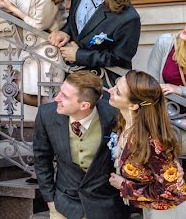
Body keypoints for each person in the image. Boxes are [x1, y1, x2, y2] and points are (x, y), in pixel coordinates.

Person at [32, 70, 130, 219]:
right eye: (60, 92)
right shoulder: (46, 114)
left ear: (84, 105)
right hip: (64, 204)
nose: (56, 98)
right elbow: (41, 159)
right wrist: (50, 201)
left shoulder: (114, 115)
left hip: (106, 205)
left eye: (64, 96)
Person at [107, 71, 186, 218]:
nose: (110, 91)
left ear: (134, 106)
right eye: (115, 86)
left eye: (118, 92)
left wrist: (125, 186)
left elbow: (169, 190)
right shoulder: (123, 123)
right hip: (149, 205)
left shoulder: (152, 141)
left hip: (169, 210)